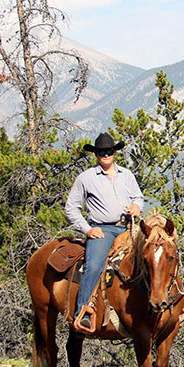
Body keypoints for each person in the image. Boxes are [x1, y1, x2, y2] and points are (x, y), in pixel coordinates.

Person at [65, 132, 143, 331]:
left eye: (109, 151)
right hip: (104, 229)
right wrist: (87, 229)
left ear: (114, 152)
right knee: (94, 265)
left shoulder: (127, 174)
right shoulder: (86, 178)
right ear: (96, 154)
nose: (105, 155)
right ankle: (82, 311)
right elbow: (71, 207)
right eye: (101, 152)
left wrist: (136, 207)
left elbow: (138, 197)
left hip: (128, 226)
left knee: (155, 254)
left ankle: (167, 303)